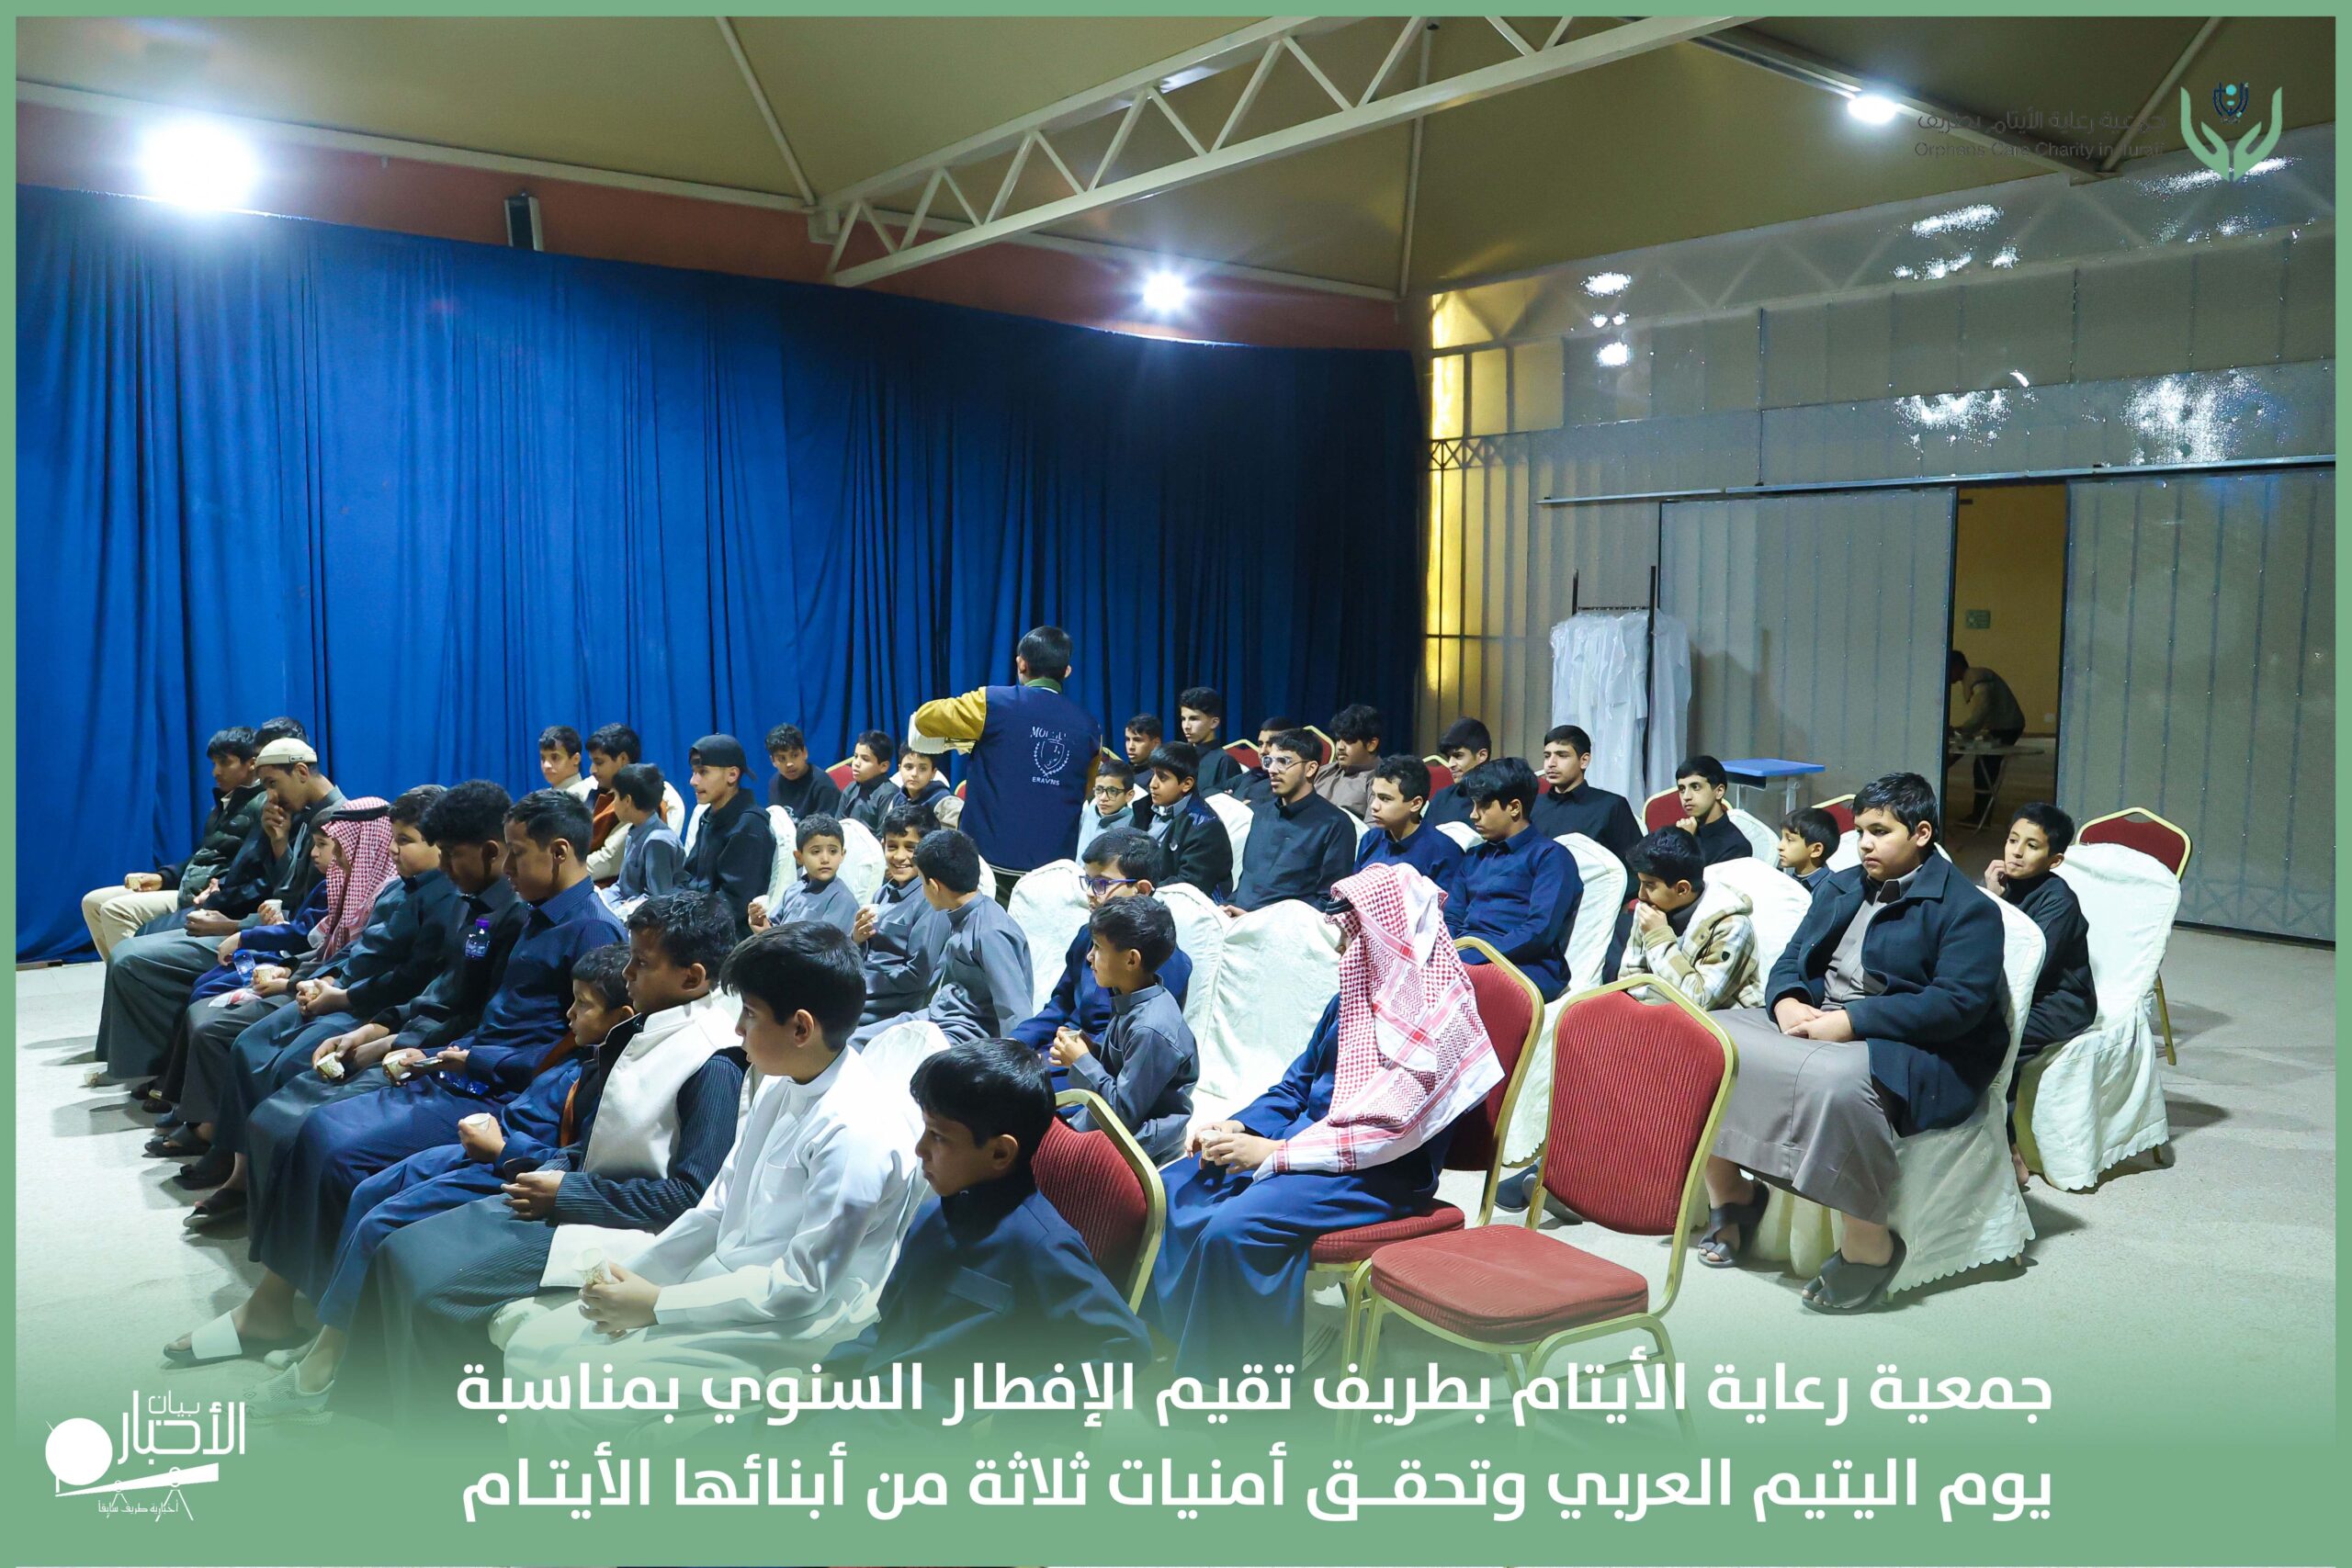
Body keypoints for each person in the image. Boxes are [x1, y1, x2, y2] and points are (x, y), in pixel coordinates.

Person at [165, 790, 623, 1363]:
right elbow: (479, 1006)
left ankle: (307, 1320)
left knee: (336, 1148)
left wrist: (456, 1055)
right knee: (314, 1130)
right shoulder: (522, 911)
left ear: (558, 853)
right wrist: (421, 1043)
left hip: (504, 1094)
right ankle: (280, 1306)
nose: (507, 866)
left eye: (516, 853)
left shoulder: (591, 931)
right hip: (460, 1065)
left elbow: (573, 1055)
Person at [286, 895, 747, 1422]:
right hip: (581, 1187)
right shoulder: (652, 1026)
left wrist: (566, 1188)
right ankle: (366, 1409)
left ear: (692, 978)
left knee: (432, 1286)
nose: (628, 973)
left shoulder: (712, 1060)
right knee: (397, 1248)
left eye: (641, 964)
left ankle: (433, 1441)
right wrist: (556, 1169)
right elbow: (608, 1139)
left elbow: (690, 1196)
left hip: (624, 1226)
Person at [502, 922, 927, 1398]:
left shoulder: (855, 1132)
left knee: (560, 1379)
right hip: (728, 1282)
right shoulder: (782, 1083)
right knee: (532, 1347)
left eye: (749, 1014)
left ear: (801, 1028)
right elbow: (716, 1208)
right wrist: (639, 1277)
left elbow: (803, 1287)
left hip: (791, 1320)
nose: (737, 1028)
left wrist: (659, 1304)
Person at [1148, 863, 1502, 1376]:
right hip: (1310, 1146)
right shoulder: (1351, 998)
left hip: (1380, 1173)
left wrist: (1274, 1153)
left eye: (1351, 935)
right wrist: (1239, 1127)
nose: (1340, 949)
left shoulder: (1442, 1020)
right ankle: (1180, 1342)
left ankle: (1247, 1382)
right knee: (1179, 1185)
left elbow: (1392, 1134)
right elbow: (1296, 1086)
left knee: (1235, 1228)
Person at [1697, 772, 2007, 1314]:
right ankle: (1734, 1195)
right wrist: (1786, 1000)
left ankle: (1869, 1246)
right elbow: (1792, 960)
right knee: (1703, 1040)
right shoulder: (1841, 886)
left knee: (1838, 1084)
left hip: (1917, 1045)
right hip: (1822, 1020)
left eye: (1879, 832)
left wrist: (1852, 1022)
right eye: (1860, 830)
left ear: (1922, 834)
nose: (1863, 843)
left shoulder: (1968, 909)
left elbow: (1958, 1004)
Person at [181, 782, 502, 1228]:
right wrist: (319, 980)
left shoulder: (458, 902)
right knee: (249, 1044)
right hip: (368, 1006)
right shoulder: (408, 891)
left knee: (291, 1072)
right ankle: (238, 1169)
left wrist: (359, 1013)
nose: (393, 850)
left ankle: (260, 1187)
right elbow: (358, 951)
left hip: (378, 1011)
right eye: (393, 838)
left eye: (407, 841)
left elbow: (418, 983)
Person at [820, 1037, 1150, 1381]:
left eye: (938, 1136)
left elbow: (1126, 1346)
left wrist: (1016, 1406)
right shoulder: (931, 1216)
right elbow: (891, 1324)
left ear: (1000, 1153)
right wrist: (832, 1371)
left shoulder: (1040, 1246)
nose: (920, 1149)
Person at [151, 797, 402, 1166]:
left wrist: (294, 978)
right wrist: (295, 973)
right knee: (213, 998)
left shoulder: (391, 893)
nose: (321, 855)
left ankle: (221, 1141)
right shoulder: (351, 882)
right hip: (314, 978)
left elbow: (387, 970)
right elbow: (331, 945)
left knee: (232, 1035)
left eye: (329, 845)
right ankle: (199, 1118)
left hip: (352, 999)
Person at [95, 736, 345, 1091]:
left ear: (302, 772)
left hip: (288, 945)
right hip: (270, 928)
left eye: (272, 783)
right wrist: (277, 843)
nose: (270, 795)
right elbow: (285, 889)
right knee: (135, 949)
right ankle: (158, 1070)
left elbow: (316, 920)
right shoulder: (300, 813)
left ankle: (169, 1078)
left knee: (140, 963)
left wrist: (238, 927)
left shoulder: (339, 821)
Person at [910, 626, 1101, 900]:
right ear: (1067, 671)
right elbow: (1085, 790)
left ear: (1021, 664)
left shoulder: (992, 703)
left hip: (987, 866)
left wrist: (967, 738)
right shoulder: (1090, 727)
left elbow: (925, 718)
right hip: (1052, 874)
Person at [1983, 802, 2096, 1186]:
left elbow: (2028, 966)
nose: (2015, 851)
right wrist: (1992, 896)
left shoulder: (2058, 901)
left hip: (2059, 1001)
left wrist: (1994, 904)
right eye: (2013, 839)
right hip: (2014, 991)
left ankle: (2009, 1150)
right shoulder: (2005, 884)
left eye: (2031, 846)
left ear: (2055, 859)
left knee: (1996, 1044)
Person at [82, 726, 265, 959]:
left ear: (252, 763)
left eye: (224, 763)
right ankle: (119, 975)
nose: (215, 772)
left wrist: (216, 892)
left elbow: (246, 869)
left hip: (206, 897)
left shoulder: (263, 806)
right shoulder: (223, 806)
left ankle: (134, 977)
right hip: (187, 888)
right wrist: (163, 878)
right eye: (213, 764)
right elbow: (201, 858)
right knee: (92, 902)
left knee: (116, 911)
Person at [1009, 830, 1193, 1055]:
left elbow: (1142, 1041)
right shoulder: (1087, 936)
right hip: (1063, 1048)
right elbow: (1062, 1004)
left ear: (1142, 891)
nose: (1089, 892)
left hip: (1100, 1063)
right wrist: (1018, 1040)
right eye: (1088, 881)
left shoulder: (1166, 960)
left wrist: (1082, 1054)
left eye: (1101, 883)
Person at [1050, 896, 1197, 1164]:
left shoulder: (1150, 1027)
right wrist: (1092, 1053)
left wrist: (1082, 1062)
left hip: (1138, 1144)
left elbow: (1123, 1113)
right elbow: (1123, 1073)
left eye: (1098, 947)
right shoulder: (1130, 998)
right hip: (1108, 1125)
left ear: (1131, 960)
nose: (1089, 957)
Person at [1448, 758, 1583, 1000]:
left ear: (1514, 807)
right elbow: (1451, 917)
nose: (1473, 815)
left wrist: (1471, 956)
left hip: (1525, 965)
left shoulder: (1551, 857)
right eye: (1473, 805)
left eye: (1483, 806)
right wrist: (1448, 953)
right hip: (1464, 958)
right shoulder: (1473, 856)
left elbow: (1539, 931)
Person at [908, 829, 1033, 1044]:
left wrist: (1012, 1060)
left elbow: (1014, 1013)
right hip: (938, 1018)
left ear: (934, 886)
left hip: (968, 1035)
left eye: (921, 882)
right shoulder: (956, 914)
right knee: (860, 1038)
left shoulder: (991, 932)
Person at [1617, 828, 1765, 1010]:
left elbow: (1698, 1002)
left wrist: (1658, 937)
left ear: (1682, 889)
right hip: (1660, 1016)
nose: (1640, 895)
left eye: (1649, 885)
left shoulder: (1732, 926)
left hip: (1725, 1020)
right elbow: (1629, 980)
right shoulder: (1650, 908)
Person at [1225, 728, 1358, 915]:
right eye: (1269, 761)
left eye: (1283, 761)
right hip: (1237, 921)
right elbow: (1246, 882)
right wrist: (1226, 908)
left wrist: (1262, 922)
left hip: (1286, 929)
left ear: (1310, 768)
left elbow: (1329, 901)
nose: (1272, 770)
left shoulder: (1335, 824)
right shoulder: (1261, 813)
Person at [849, 802, 950, 1042]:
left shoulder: (931, 901)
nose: (899, 857)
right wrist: (856, 939)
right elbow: (864, 954)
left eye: (910, 848)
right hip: (860, 993)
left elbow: (919, 977)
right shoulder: (883, 892)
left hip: (889, 1008)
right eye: (892, 847)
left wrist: (863, 983)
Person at [681, 734, 775, 937]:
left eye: (703, 772)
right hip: (699, 920)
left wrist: (683, 925)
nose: (693, 781)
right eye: (694, 772)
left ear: (732, 775)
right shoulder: (709, 816)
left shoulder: (749, 826)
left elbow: (732, 905)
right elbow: (688, 877)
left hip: (727, 936)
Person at [582, 724, 684, 886]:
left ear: (623, 759)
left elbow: (609, 861)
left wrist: (568, 873)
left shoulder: (641, 799)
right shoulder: (597, 792)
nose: (592, 770)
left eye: (599, 762)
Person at [1355, 755, 1467, 902]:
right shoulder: (1370, 840)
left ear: (1415, 804)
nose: (1374, 806)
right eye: (1374, 796)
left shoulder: (1444, 852)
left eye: (1385, 799)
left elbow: (1444, 910)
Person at [1529, 724, 1643, 858]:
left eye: (1562, 755)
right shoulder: (1532, 806)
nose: (1551, 763)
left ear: (1584, 761)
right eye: (1547, 756)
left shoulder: (1611, 806)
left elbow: (1637, 864)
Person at [1138, 742, 1233, 903]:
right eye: (1152, 774)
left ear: (1186, 784)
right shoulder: (1144, 808)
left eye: (1162, 777)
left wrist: (1138, 890)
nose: (1152, 784)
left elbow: (1187, 887)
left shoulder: (1206, 827)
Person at [1948, 649, 2029, 821]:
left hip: (2005, 727)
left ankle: (1981, 816)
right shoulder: (1976, 676)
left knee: (1984, 769)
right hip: (2003, 726)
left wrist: (1963, 729)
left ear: (1956, 666)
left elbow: (1983, 709)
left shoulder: (1976, 677)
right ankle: (1981, 815)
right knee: (1984, 767)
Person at [752, 813, 858, 937]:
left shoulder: (842, 900)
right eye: (816, 852)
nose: (825, 859)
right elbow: (774, 929)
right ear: (799, 857)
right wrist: (762, 925)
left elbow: (824, 945)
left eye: (833, 851)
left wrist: (772, 939)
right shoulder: (792, 891)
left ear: (842, 855)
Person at [606, 762, 684, 904]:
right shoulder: (635, 831)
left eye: (615, 796)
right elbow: (623, 887)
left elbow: (659, 901)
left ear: (627, 801)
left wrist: (620, 909)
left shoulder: (657, 841)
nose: (613, 804)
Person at [1673, 754, 1754, 866]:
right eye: (1682, 789)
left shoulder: (1736, 847)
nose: (1686, 797)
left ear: (1719, 791)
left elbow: (1694, 877)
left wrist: (1686, 844)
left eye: (1695, 787)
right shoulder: (1683, 830)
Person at [1310, 704, 1383, 817]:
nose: (1340, 747)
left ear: (1371, 744)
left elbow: (1373, 827)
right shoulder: (1321, 772)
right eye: (1338, 739)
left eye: (1348, 740)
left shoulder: (1383, 781)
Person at [765, 723, 845, 820]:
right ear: (773, 761)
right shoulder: (775, 782)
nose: (789, 764)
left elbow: (826, 828)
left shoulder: (823, 785)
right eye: (782, 759)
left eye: (794, 755)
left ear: (804, 753)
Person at [1424, 716, 1491, 830]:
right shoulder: (1442, 798)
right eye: (1449, 757)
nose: (1450, 764)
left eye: (1458, 756)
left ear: (1482, 756)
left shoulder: (1502, 798)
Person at [836, 729, 903, 835]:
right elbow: (838, 828)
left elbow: (884, 837)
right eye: (856, 756)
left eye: (865, 759)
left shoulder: (889, 794)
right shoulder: (850, 789)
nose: (856, 763)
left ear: (884, 766)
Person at [1179, 686, 1243, 795]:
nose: (1186, 726)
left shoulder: (1225, 762)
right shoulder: (1179, 757)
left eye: (1194, 719)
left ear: (1214, 723)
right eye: (1183, 719)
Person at [1076, 756, 1138, 863]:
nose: (1103, 798)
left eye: (1112, 791)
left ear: (1129, 795)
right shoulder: (1087, 813)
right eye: (1099, 790)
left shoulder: (1135, 823)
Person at [1779, 807, 1839, 892]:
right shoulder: (1783, 884)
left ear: (1816, 850)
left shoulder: (1834, 890)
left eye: (1789, 840)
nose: (1780, 846)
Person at [537, 726, 596, 805]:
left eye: (555, 757)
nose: (546, 765)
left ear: (576, 759)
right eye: (543, 758)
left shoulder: (587, 796)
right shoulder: (544, 798)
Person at [893, 743, 953, 817]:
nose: (914, 774)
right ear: (900, 769)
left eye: (923, 769)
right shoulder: (897, 799)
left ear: (933, 773)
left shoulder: (944, 801)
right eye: (909, 767)